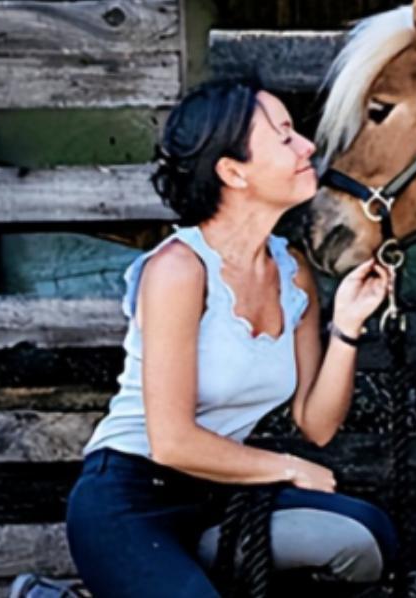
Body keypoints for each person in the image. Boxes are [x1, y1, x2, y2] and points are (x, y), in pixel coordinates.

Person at [57, 78, 397, 597]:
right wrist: (285, 468)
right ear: (233, 171)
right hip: (127, 499)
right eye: (283, 137)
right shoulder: (178, 270)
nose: (306, 145)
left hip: (218, 496)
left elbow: (317, 424)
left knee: (366, 536)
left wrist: (347, 325)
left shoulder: (293, 273)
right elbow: (171, 442)